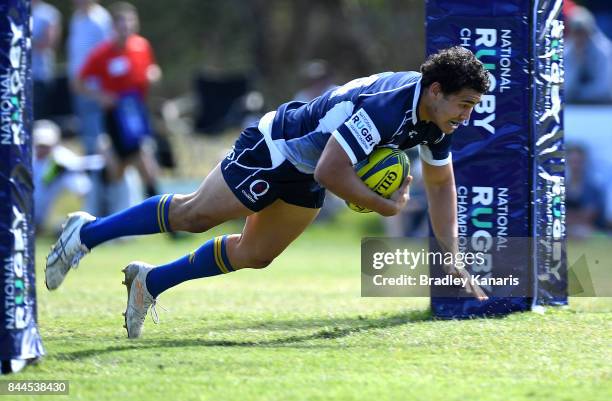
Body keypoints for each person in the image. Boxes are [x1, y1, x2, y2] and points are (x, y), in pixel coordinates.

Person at [46, 46, 489, 338]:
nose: (466, 116)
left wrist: (449, 255)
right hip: (278, 145)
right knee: (195, 216)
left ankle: (150, 281)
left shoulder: (438, 119)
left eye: (472, 107)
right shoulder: (387, 106)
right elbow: (331, 171)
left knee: (256, 254)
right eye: (464, 104)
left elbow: (439, 181)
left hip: (309, 167)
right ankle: (86, 233)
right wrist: (382, 205)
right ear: (435, 90)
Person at [75, 2, 162, 199]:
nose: (127, 29)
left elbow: (152, 69)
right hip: (114, 115)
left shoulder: (141, 46)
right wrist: (101, 96)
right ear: (113, 27)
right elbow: (78, 83)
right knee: (119, 169)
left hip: (137, 113)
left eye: (131, 24)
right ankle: (103, 191)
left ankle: (160, 212)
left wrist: (153, 75)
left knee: (144, 158)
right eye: (122, 25)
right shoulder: (102, 54)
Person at [32, 120, 105, 232]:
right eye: (40, 145)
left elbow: (79, 168)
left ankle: (92, 218)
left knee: (72, 177)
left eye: (46, 145)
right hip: (25, 211)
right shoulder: (27, 157)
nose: (43, 149)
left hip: (40, 215)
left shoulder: (60, 157)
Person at [67, 0, 113, 155]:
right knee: (86, 133)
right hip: (79, 86)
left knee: (98, 134)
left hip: (95, 87)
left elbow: (106, 54)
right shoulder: (76, 18)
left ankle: (100, 176)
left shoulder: (101, 19)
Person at [32, 0, 61, 120]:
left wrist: (22, 41)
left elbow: (49, 43)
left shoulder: (49, 14)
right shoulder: (15, 9)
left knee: (37, 116)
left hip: (40, 75)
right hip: (18, 77)